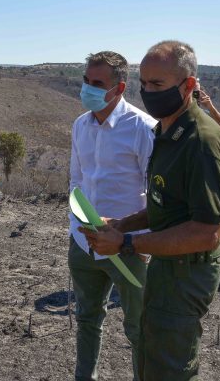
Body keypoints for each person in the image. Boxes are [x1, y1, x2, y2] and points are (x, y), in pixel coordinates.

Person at [81, 40, 220, 381]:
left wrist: (126, 244)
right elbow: (164, 205)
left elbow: (207, 232)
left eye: (158, 84)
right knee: (153, 358)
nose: (148, 92)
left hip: (186, 274)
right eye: (144, 84)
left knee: (169, 368)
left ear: (189, 85)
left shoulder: (201, 142)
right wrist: (122, 224)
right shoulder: (166, 132)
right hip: (167, 267)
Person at [68, 51, 156, 381]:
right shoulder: (80, 125)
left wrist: (141, 241)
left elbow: (157, 195)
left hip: (128, 248)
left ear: (118, 88)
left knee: (139, 327)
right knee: (87, 319)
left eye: (97, 84)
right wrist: (77, 228)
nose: (88, 89)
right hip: (83, 243)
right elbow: (77, 180)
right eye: (85, 81)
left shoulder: (143, 128)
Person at [194, 81, 220, 294]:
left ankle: (215, 274)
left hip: (206, 183)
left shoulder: (203, 118)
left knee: (211, 227)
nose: (197, 95)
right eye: (194, 91)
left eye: (199, 91)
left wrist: (210, 107)